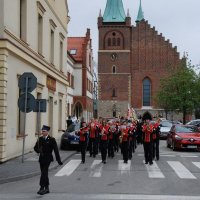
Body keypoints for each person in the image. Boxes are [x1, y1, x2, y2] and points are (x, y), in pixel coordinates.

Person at [34, 125, 63, 195]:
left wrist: (58, 160)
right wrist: (38, 150)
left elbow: (56, 150)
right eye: (42, 131)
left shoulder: (52, 139)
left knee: (44, 172)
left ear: (47, 132)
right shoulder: (40, 139)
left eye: (44, 131)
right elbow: (35, 148)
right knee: (44, 173)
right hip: (41, 159)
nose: (42, 132)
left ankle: (41, 187)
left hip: (48, 159)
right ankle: (47, 188)